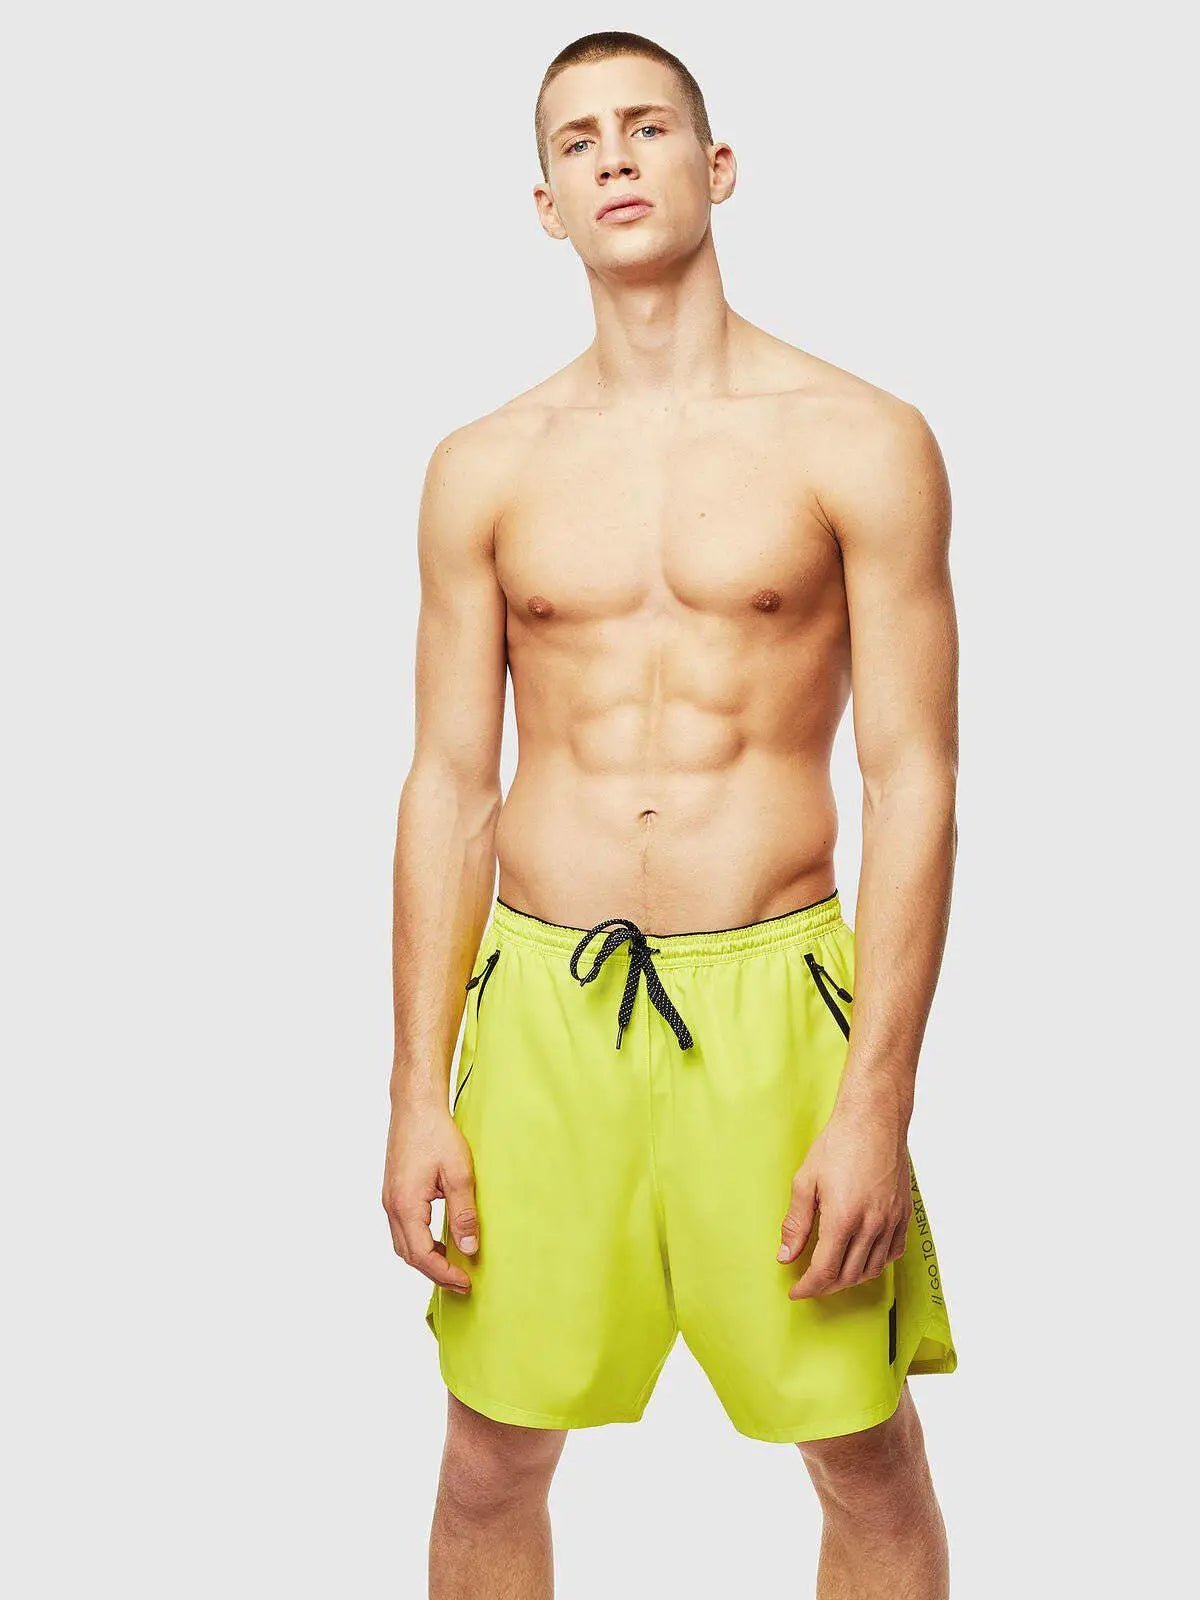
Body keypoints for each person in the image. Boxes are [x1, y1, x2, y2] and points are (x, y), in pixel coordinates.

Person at [383, 30, 959, 1600]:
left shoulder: (861, 439)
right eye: (578, 141)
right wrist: (417, 1092)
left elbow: (915, 781)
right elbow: (449, 784)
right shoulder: (481, 468)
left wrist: (876, 1106)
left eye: (646, 127)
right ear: (547, 205)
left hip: (777, 1006)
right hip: (543, 1012)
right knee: (488, 1457)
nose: (615, 157)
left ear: (717, 168)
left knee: (862, 1453)